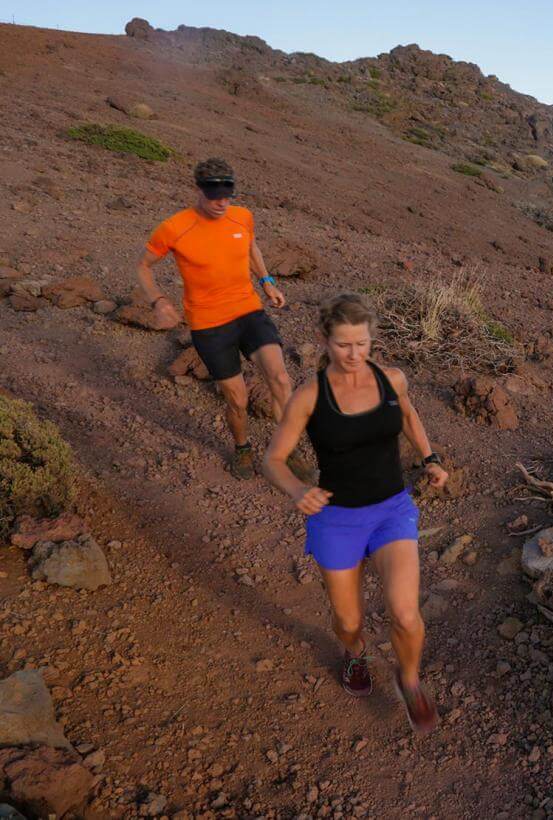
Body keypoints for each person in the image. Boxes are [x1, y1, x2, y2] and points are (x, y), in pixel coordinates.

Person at [262, 293, 447, 734]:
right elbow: (273, 459)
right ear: (325, 340)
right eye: (344, 345)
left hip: (390, 511)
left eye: (361, 344)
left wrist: (430, 457)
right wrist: (297, 489)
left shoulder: (392, 379)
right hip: (337, 517)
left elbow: (408, 417)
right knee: (349, 622)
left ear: (371, 340)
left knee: (405, 613)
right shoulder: (309, 397)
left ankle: (409, 679)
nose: (354, 354)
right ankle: (354, 653)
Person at [137, 157, 295, 479]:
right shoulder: (175, 227)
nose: (222, 202)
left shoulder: (242, 217)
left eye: (228, 194)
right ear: (198, 189)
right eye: (214, 195)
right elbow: (143, 266)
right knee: (237, 399)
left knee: (280, 379)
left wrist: (267, 281)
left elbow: (251, 247)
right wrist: (158, 300)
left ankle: (284, 451)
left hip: (248, 310)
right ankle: (242, 448)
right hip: (209, 325)